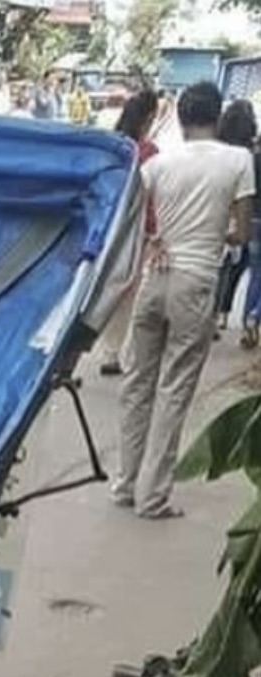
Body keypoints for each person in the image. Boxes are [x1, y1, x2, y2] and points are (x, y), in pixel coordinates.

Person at [112, 81, 255, 520]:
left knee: (137, 384)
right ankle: (153, 496)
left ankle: (124, 483)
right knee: (175, 389)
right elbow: (243, 233)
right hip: (195, 280)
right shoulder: (238, 160)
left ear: (180, 117)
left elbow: (131, 219)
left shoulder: (159, 163)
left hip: (155, 275)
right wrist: (216, 235)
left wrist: (157, 238)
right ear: (217, 115)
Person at [98, 87, 161, 377]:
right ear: (150, 117)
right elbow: (149, 200)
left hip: (105, 225)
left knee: (99, 287)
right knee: (127, 292)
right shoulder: (148, 152)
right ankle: (115, 352)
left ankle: (81, 353)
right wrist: (152, 230)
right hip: (134, 231)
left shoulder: (111, 145)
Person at [214, 98, 258, 333]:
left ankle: (218, 314)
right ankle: (241, 315)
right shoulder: (248, 156)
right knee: (244, 269)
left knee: (223, 270)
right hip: (245, 217)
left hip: (216, 216)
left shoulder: (216, 149)